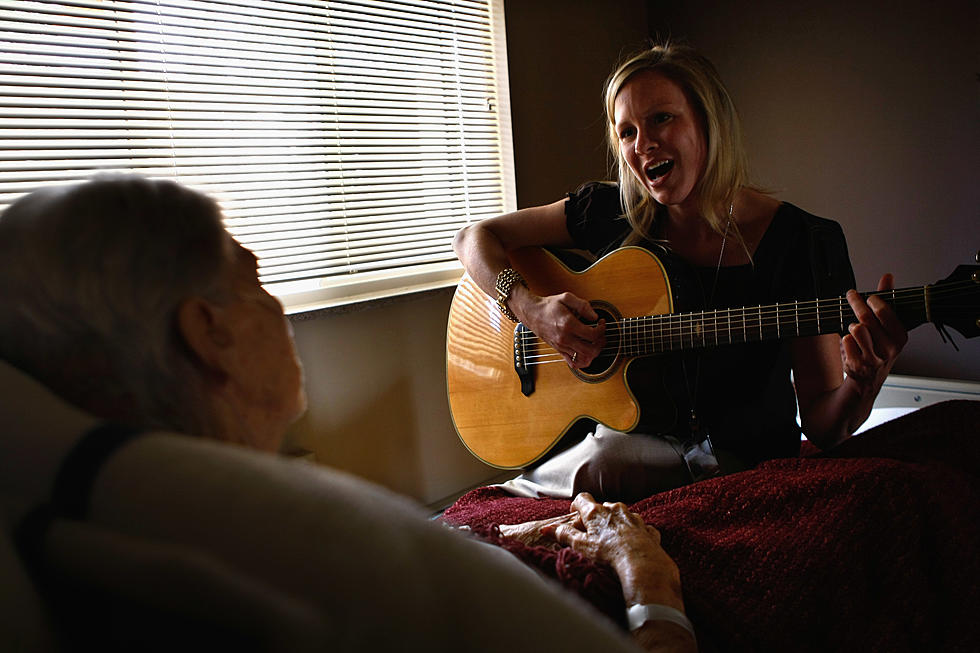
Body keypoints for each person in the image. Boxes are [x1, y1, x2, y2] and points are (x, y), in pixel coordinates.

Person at [0, 175, 695, 652]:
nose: (275, 304)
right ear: (206, 333)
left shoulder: (97, 534)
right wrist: (649, 577)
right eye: (253, 279)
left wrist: (521, 533)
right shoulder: (358, 569)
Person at [452, 42, 908, 501]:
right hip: (616, 447)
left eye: (661, 119)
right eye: (626, 131)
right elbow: (474, 238)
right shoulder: (609, 210)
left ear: (709, 122)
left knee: (603, 463)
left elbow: (824, 427)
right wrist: (531, 310)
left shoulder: (801, 240)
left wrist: (861, 386)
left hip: (741, 461)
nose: (643, 144)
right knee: (595, 463)